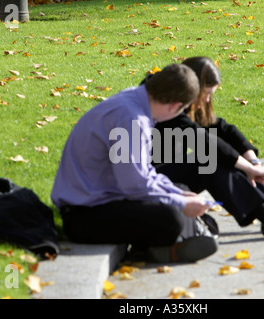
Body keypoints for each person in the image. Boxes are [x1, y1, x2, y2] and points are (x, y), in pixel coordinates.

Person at [51, 63, 218, 263]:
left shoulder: (133, 100)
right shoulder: (132, 121)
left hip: (101, 201)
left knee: (179, 189)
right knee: (169, 217)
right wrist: (181, 204)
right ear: (175, 106)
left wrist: (178, 194)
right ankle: (160, 250)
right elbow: (134, 185)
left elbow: (144, 173)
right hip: (84, 216)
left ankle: (175, 239)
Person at [151, 57, 264, 239]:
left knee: (222, 160)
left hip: (168, 174)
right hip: (148, 181)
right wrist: (248, 168)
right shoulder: (167, 103)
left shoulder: (182, 100)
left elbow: (223, 130)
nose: (206, 100)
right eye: (204, 94)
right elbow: (205, 142)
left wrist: (253, 161)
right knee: (209, 161)